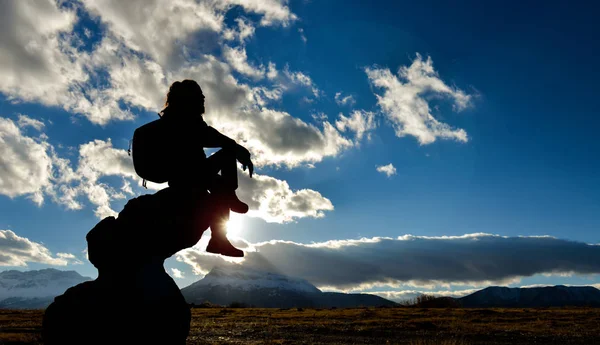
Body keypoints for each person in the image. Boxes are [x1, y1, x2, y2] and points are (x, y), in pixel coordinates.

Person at [160, 79, 253, 257]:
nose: (203, 100)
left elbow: (208, 134)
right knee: (227, 155)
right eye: (199, 96)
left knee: (221, 188)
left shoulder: (182, 117)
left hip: (194, 173)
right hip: (188, 174)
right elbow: (208, 136)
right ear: (187, 99)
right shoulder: (180, 119)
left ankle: (219, 239)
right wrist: (237, 148)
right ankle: (220, 233)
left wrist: (235, 147)